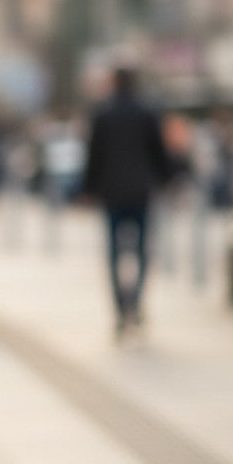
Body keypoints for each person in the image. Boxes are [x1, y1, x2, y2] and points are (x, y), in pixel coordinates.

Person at [82, 65, 173, 338]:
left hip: (112, 192)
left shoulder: (103, 112)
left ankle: (121, 309)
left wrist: (88, 188)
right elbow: (159, 152)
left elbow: (94, 154)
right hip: (141, 191)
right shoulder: (147, 111)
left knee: (114, 253)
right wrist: (167, 180)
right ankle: (137, 301)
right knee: (143, 252)